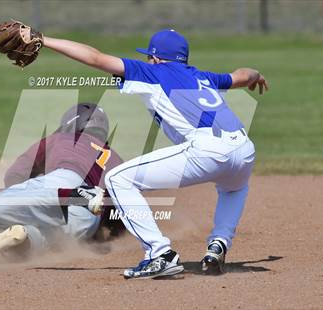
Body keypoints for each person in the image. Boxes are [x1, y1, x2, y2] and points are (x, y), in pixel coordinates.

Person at [38, 28, 268, 279]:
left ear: (157, 58)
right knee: (233, 188)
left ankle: (160, 254)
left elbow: (95, 57)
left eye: (150, 56)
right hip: (244, 149)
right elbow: (242, 75)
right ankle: (219, 244)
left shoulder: (152, 72)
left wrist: (44, 40)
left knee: (118, 179)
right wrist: (256, 75)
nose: (148, 60)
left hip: (207, 150)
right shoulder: (203, 77)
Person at [0, 103, 124, 259]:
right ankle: (25, 235)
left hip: (61, 184)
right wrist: (100, 233)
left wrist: (27, 204)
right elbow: (119, 211)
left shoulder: (58, 138)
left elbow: (14, 175)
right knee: (54, 237)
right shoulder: (115, 157)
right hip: (87, 218)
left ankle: (76, 194)